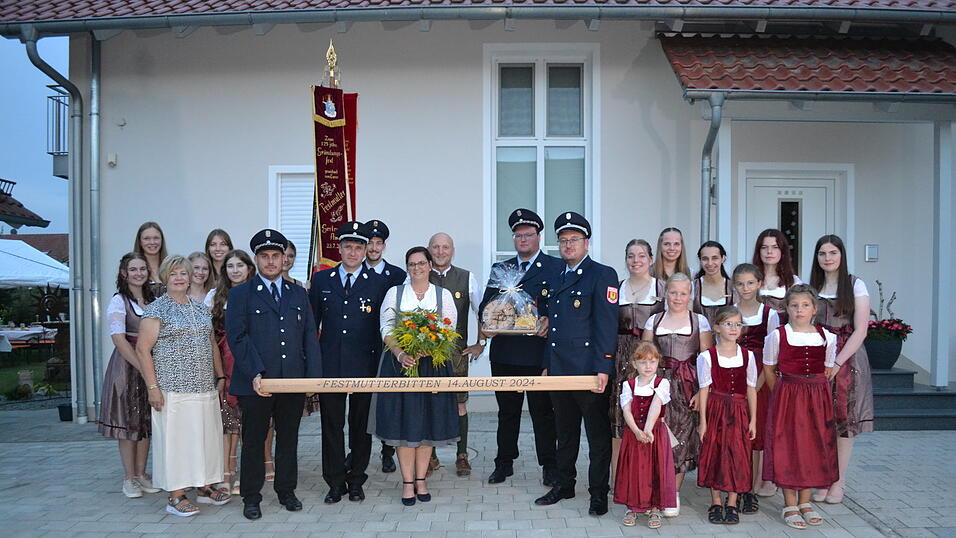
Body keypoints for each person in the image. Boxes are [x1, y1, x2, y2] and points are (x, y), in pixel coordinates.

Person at [226, 229, 322, 520]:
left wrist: (311, 380)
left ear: (284, 259)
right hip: (255, 381)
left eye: (275, 256)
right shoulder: (241, 293)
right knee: (254, 440)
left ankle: (286, 490)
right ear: (256, 259)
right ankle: (251, 496)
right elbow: (237, 337)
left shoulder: (297, 294)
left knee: (289, 438)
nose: (270, 262)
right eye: (265, 256)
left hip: (291, 379)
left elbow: (308, 336)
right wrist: (256, 372)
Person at [534, 211, 618, 516]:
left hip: (588, 371)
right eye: (563, 241)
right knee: (564, 432)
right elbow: (551, 326)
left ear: (586, 243)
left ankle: (598, 494)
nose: (568, 245)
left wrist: (603, 368)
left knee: (596, 436)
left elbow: (606, 326)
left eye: (574, 240)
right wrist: (547, 364)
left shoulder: (602, 274)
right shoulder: (556, 275)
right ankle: (564, 484)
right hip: (559, 369)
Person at [136, 254, 230, 516]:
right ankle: (176, 495)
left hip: (204, 386)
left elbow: (211, 344)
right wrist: (153, 388)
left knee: (204, 438)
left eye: (184, 273)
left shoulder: (201, 309)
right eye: (174, 273)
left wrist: (220, 376)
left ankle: (204, 486)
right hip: (172, 388)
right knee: (176, 442)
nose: (180, 278)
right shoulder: (156, 309)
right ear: (166, 277)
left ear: (191, 278)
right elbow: (143, 350)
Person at [475, 208, 560, 486]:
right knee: (507, 412)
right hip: (506, 353)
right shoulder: (502, 269)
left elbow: (560, 311)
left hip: (538, 353)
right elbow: (485, 308)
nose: (523, 239)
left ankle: (549, 464)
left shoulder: (555, 267)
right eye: (518, 235)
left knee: (543, 413)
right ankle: (504, 462)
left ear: (538, 237)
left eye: (528, 235)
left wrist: (549, 320)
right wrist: (488, 321)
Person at [373, 246, 459, 506]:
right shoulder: (394, 293)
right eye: (412, 264)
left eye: (422, 263)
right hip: (400, 365)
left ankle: (422, 479)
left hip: (433, 365)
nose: (417, 268)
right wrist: (401, 353)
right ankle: (407, 482)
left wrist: (430, 347)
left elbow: (449, 328)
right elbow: (386, 328)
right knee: (404, 425)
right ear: (407, 267)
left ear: (430, 265)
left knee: (427, 425)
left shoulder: (442, 295)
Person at [309, 221, 387, 504]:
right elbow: (311, 326)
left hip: (364, 365)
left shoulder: (379, 283)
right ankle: (334, 481)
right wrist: (312, 368)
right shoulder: (322, 280)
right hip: (330, 366)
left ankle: (356, 479)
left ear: (367, 250)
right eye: (347, 246)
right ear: (339, 248)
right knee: (331, 426)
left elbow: (383, 329)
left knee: (360, 426)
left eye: (358, 247)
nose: (353, 252)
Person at [762, 284, 838, 530]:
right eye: (794, 306)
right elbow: (769, 369)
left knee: (812, 447)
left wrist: (813, 394)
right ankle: (789, 503)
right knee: (789, 447)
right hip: (788, 397)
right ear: (786, 308)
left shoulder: (827, 337)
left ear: (814, 308)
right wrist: (783, 394)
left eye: (805, 305)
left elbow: (826, 371)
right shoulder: (777, 336)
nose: (799, 310)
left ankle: (806, 502)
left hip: (816, 399)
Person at [641, 272, 714, 517]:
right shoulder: (654, 320)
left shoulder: (700, 321)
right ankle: (655, 489)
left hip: (686, 387)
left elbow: (706, 360)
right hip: (658, 386)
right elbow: (645, 355)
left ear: (690, 295)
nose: (677, 297)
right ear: (665, 294)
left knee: (681, 437)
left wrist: (700, 393)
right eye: (673, 292)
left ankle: (673, 492)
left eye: (683, 293)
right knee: (658, 434)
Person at [810, 234, 873, 505]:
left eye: (832, 253)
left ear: (841, 255)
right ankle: (823, 477)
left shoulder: (855, 284)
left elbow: (861, 330)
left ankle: (839, 481)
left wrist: (837, 362)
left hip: (847, 360)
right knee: (818, 422)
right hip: (816, 357)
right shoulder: (812, 285)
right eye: (822, 253)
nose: (828, 258)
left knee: (843, 422)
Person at [99, 252, 159, 498]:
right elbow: (119, 340)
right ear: (124, 273)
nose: (138, 273)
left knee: (146, 422)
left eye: (142, 269)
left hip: (150, 363)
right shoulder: (118, 301)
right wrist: (143, 368)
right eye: (133, 269)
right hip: (126, 366)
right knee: (127, 423)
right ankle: (129, 478)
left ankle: (141, 474)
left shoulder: (152, 299)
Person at [428, 232, 483, 477]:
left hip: (456, 354)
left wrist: (480, 343)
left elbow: (483, 311)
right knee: (427, 403)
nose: (440, 251)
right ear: (429, 249)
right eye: (436, 247)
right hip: (425, 355)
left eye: (445, 247)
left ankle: (462, 455)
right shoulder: (419, 273)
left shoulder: (467, 278)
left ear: (453, 250)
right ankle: (430, 456)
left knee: (459, 404)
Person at [696, 306, 758, 525]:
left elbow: (751, 388)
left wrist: (753, 419)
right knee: (716, 453)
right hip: (716, 409)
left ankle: (732, 501)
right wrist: (703, 421)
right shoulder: (707, 356)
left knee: (738, 454)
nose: (733, 328)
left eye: (737, 324)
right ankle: (716, 501)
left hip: (739, 410)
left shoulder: (748, 356)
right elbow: (704, 389)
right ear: (717, 327)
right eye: (728, 324)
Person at [611, 239, 665, 478]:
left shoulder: (662, 288)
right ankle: (618, 475)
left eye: (642, 255)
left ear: (651, 259)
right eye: (631, 256)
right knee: (618, 413)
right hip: (620, 355)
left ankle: (650, 476)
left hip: (650, 358)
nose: (636, 261)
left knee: (650, 413)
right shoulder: (616, 288)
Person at [208, 249, 257, 496]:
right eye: (230, 266)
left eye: (240, 265)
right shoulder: (214, 297)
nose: (235, 270)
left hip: (250, 360)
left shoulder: (258, 293)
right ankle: (226, 471)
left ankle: (244, 471)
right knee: (226, 420)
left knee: (249, 422)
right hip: (223, 362)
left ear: (249, 267)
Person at [613, 341, 676, 530]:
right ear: (634, 364)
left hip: (654, 431)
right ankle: (632, 506)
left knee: (655, 468)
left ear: (658, 363)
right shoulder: (628, 384)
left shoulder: (662, 383)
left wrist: (647, 430)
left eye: (652, 362)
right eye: (643, 362)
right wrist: (636, 431)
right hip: (634, 433)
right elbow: (626, 410)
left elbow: (656, 405)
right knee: (634, 468)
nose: (648, 366)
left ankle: (655, 506)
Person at [732, 263, 780, 504]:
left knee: (756, 431)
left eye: (750, 283)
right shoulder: (730, 311)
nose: (745, 288)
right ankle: (737, 481)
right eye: (740, 283)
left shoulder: (769, 314)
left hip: (760, 377)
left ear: (759, 283)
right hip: (734, 375)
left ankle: (754, 483)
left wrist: (759, 384)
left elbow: (773, 354)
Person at [362, 219, 406, 473]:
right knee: (364, 403)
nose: (374, 248)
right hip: (363, 346)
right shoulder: (356, 273)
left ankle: (387, 451)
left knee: (388, 400)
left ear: (384, 246)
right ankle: (359, 449)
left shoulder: (397, 275)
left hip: (390, 348)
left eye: (378, 243)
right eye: (370, 243)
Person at [752, 229, 802, 317]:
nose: (769, 251)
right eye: (764, 247)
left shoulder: (792, 281)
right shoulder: (749, 278)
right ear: (758, 251)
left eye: (775, 247)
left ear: (782, 251)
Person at [693, 241, 736, 326]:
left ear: (723, 258)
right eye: (705, 258)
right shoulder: (692, 287)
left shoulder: (733, 287)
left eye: (715, 258)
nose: (710, 263)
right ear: (700, 260)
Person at [133, 221, 168, 293]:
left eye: (156, 238)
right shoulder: (132, 269)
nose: (152, 242)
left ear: (162, 240)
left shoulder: (171, 267)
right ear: (140, 242)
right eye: (146, 238)